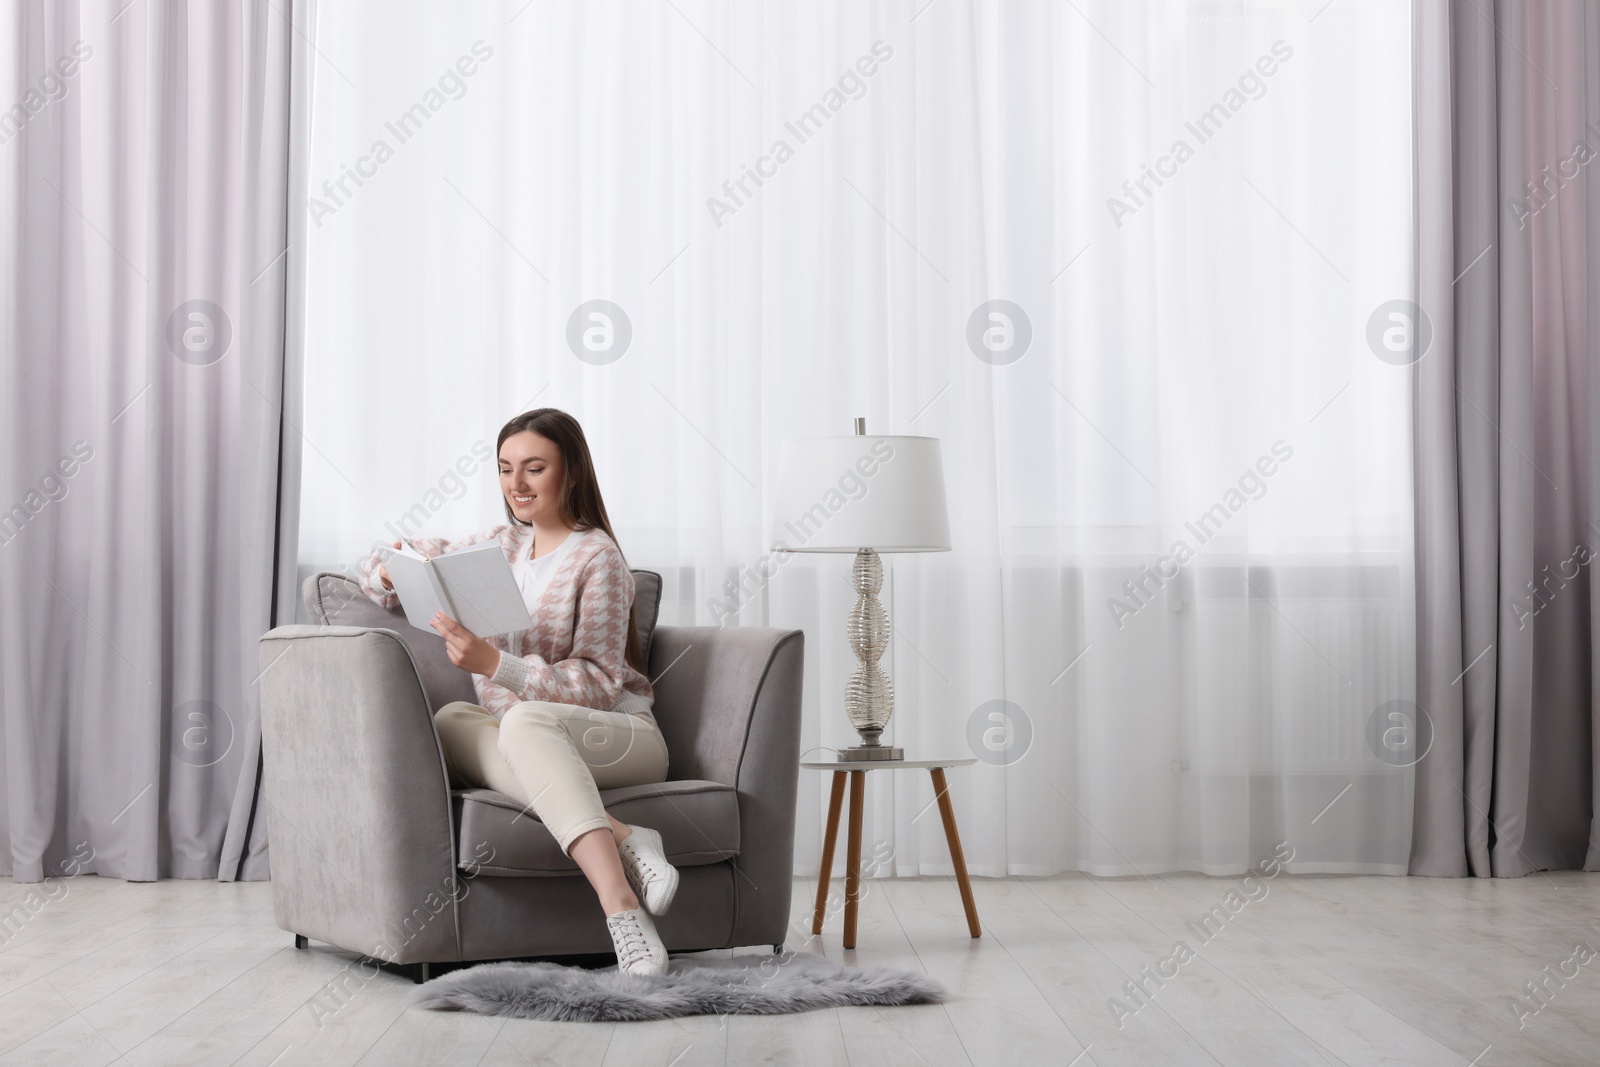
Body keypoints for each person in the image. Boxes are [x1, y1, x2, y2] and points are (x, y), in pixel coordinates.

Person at [356, 407, 677, 976]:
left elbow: (603, 685)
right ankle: (625, 836)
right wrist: (386, 570)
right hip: (530, 742)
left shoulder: (597, 558)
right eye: (506, 469)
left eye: (534, 469)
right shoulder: (497, 546)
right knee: (452, 717)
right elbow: (394, 559)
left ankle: (620, 907)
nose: (516, 485)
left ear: (570, 473)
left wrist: (497, 665)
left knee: (524, 720)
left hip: (620, 735)